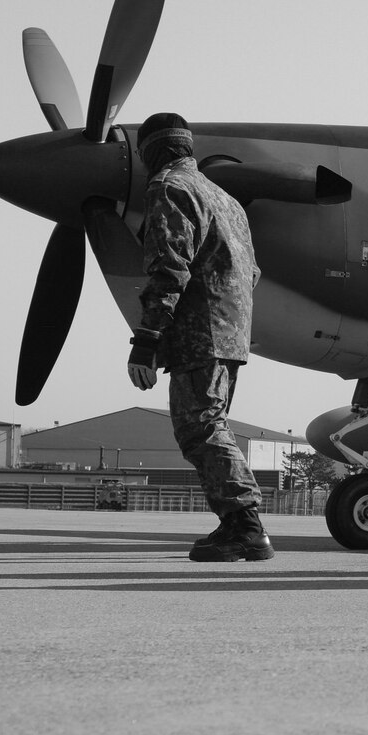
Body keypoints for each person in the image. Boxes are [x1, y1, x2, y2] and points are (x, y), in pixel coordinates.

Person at [125, 113, 270, 562]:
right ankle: (236, 525)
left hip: (199, 332)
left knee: (200, 428)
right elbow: (253, 272)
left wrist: (146, 338)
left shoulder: (170, 188)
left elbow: (169, 266)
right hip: (231, 333)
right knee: (209, 426)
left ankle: (246, 525)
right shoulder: (224, 198)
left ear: (151, 151)